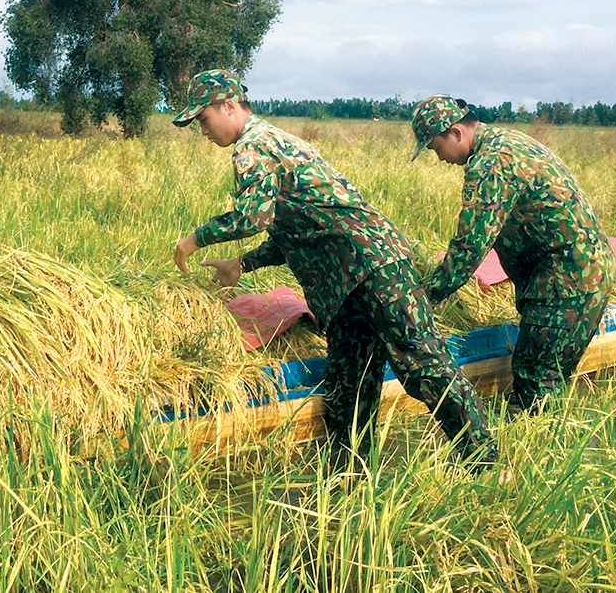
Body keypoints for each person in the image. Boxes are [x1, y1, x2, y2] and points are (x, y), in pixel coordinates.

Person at [172, 70, 494, 467]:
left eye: (202, 119)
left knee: (425, 369)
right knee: (349, 387)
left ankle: (488, 464)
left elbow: (251, 216)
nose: (201, 130)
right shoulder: (279, 141)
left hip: (375, 271)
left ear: (228, 105)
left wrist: (194, 240)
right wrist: (242, 263)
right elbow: (301, 226)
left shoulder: (251, 148)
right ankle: (349, 481)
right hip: (348, 286)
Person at [411, 94, 616, 412]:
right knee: (546, 379)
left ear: (455, 132)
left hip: (565, 283)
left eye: (436, 148)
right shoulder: (505, 142)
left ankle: (527, 456)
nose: (439, 158)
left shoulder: (490, 164)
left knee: (536, 385)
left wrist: (421, 300)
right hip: (576, 276)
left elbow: (470, 247)